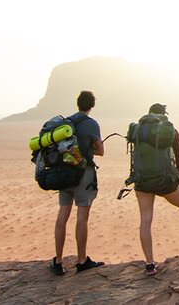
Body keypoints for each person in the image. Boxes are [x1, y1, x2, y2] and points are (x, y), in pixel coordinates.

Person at [134, 103, 179, 276]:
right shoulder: (170, 131)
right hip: (164, 181)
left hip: (141, 180)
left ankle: (150, 264)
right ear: (163, 115)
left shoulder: (138, 130)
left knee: (145, 220)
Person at [49, 90, 105, 275]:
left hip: (64, 173)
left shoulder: (67, 123)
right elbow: (101, 151)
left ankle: (58, 261)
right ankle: (82, 261)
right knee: (82, 218)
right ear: (92, 105)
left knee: (62, 215)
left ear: (78, 103)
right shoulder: (91, 124)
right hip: (83, 174)